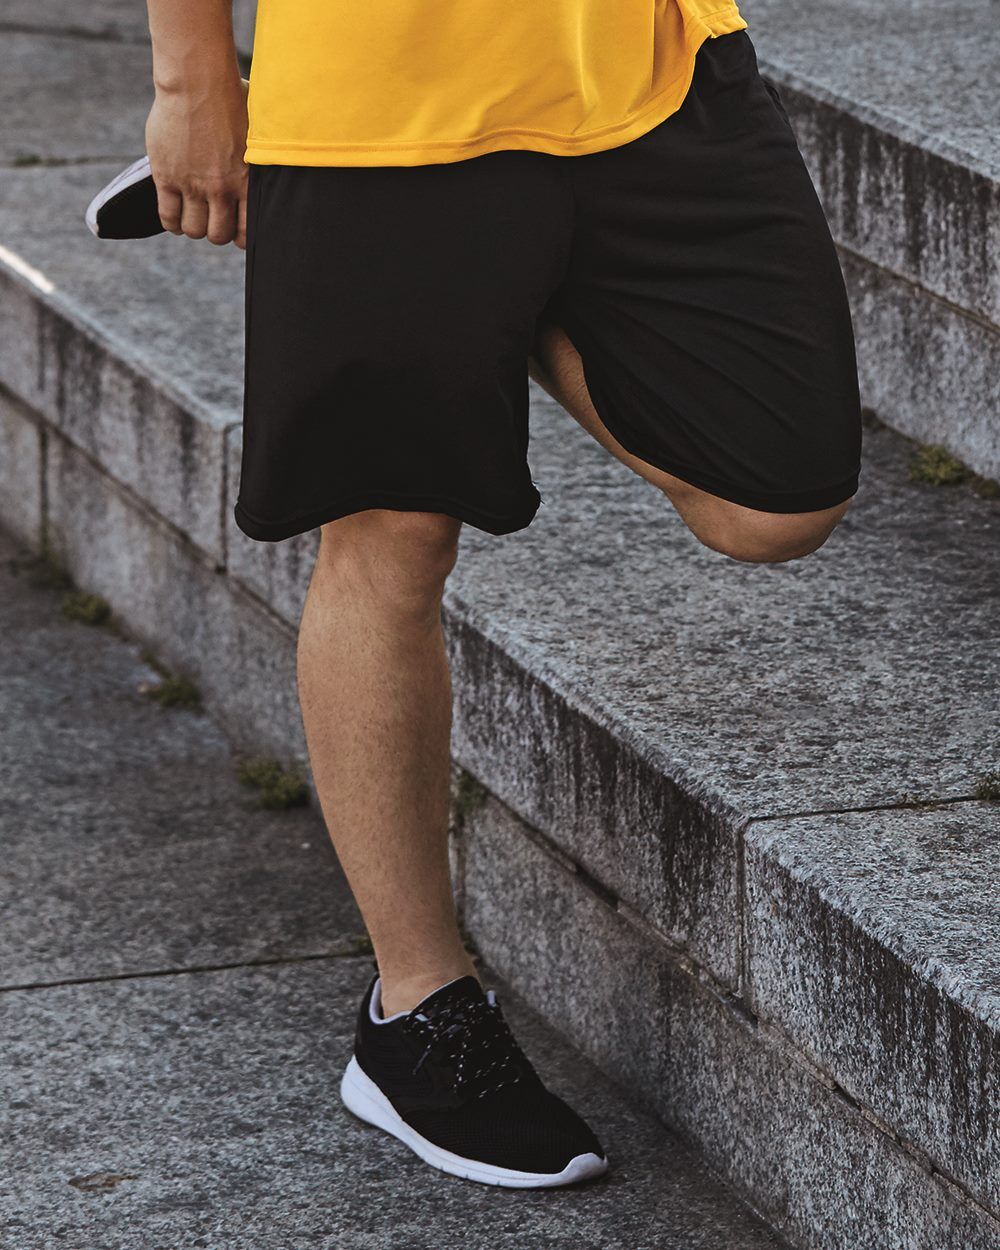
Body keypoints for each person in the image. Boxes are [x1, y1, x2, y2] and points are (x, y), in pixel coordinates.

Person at [143, 0, 862, 1188]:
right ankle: (416, 1009)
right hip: (380, 104)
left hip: (648, 63)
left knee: (776, 500)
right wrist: (191, 80)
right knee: (393, 526)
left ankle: (495, 302)